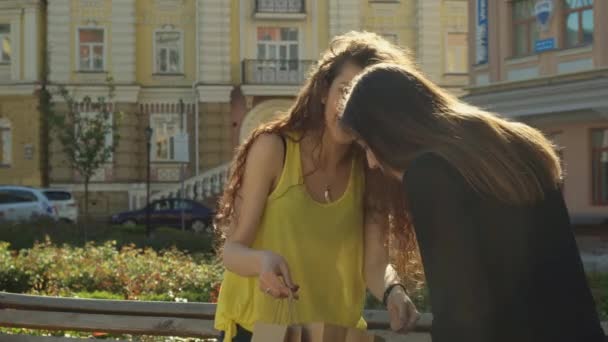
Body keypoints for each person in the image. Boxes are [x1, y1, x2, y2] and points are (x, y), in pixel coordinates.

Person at [339, 62, 605, 342]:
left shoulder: (429, 173)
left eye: (368, 146)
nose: (370, 162)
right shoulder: (518, 143)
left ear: (391, 132)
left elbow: (460, 313)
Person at [213, 33, 420, 342]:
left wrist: (394, 291)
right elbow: (232, 251)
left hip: (334, 335)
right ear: (323, 91)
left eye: (364, 98)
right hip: (259, 332)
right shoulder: (274, 148)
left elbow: (375, 264)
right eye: (344, 90)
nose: (350, 106)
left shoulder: (372, 169)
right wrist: (262, 262)